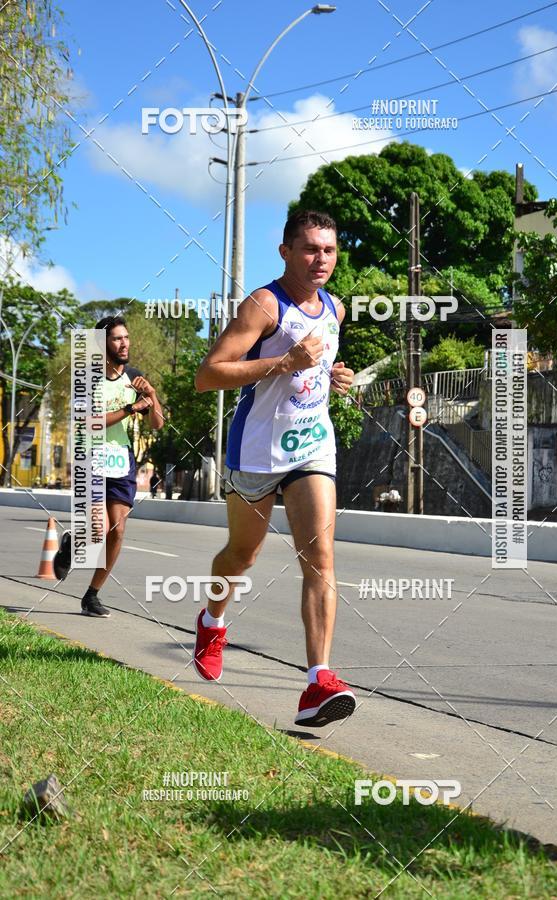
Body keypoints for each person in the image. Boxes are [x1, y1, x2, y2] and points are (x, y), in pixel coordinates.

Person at [194, 209, 357, 727]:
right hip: (258, 450)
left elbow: (313, 365)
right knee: (243, 554)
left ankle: (318, 682)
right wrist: (284, 364)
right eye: (310, 248)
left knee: (321, 556)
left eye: (328, 250)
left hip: (312, 445)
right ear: (286, 251)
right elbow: (209, 375)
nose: (320, 259)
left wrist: (331, 375)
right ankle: (212, 620)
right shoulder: (264, 305)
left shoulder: (336, 308)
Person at [53, 316, 164, 617]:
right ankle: (71, 545)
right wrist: (130, 408)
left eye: (126, 337)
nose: (124, 343)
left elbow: (157, 424)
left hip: (121, 460)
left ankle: (92, 595)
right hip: (91, 456)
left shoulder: (135, 377)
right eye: (117, 338)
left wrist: (151, 396)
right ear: (103, 344)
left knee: (117, 529)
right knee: (97, 529)